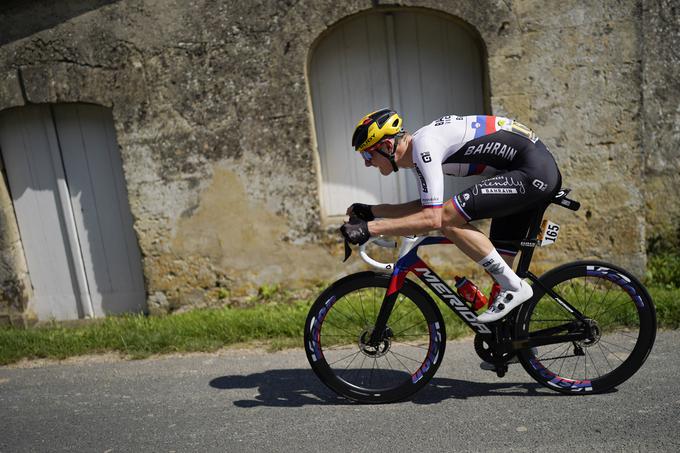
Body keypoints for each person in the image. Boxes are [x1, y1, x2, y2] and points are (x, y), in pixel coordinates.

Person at [340, 109, 561, 323]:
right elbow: (426, 207)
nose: (366, 162)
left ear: (388, 146)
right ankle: (510, 346)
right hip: (524, 170)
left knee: (448, 219)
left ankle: (515, 287)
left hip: (532, 173)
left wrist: (370, 229)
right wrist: (372, 212)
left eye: (368, 154)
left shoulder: (424, 148)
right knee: (498, 267)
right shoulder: (420, 150)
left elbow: (435, 218)